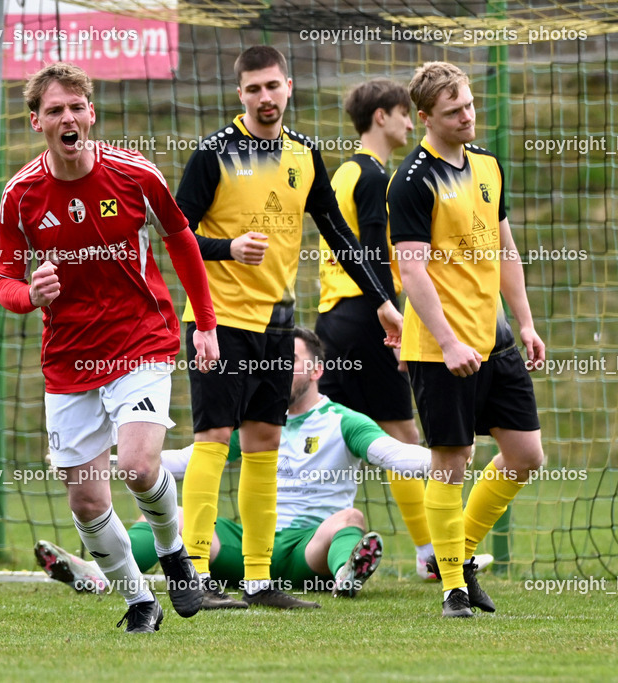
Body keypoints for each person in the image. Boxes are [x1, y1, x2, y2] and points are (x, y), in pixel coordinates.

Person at [0, 62, 220, 634]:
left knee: (140, 468)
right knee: (86, 503)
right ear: (36, 122)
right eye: (54, 110)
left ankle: (176, 556)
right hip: (68, 360)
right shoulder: (20, 196)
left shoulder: (135, 175)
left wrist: (206, 324)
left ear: (91, 113)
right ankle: (141, 601)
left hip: (139, 340)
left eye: (76, 107)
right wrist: (29, 294)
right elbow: (4, 279)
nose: (67, 118)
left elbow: (182, 241)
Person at [174, 45, 403, 610]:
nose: (265, 98)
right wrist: (227, 247)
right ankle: (195, 574)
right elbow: (175, 236)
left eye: (272, 86)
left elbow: (339, 234)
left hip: (277, 326)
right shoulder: (214, 154)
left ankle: (257, 581)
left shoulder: (304, 155)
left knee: (264, 443)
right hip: (217, 321)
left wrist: (381, 301)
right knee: (213, 441)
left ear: (289, 87)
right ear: (240, 95)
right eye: (253, 89)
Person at [36, 327, 444, 604]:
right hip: (247, 549)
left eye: (292, 361)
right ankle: (97, 573)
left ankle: (345, 573)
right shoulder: (256, 425)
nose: (279, 369)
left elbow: (393, 454)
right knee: (176, 515)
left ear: (317, 370)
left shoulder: (344, 421)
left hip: (309, 548)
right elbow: (187, 462)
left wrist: (445, 459)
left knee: (350, 517)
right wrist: (95, 463)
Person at [388, 61, 545, 618]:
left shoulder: (487, 166)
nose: (468, 116)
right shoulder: (410, 180)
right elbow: (413, 272)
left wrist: (524, 322)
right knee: (450, 463)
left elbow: (505, 251)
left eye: (470, 105)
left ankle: (463, 557)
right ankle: (454, 586)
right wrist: (450, 342)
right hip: (440, 348)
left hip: (496, 339)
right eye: (454, 111)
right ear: (425, 117)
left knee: (526, 455)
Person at [315, 78, 435, 580]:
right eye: (405, 113)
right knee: (404, 435)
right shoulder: (374, 176)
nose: (411, 123)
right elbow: (366, 251)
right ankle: (435, 556)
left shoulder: (344, 171)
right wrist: (389, 307)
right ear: (381, 117)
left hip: (331, 318)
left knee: (325, 435)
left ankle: (308, 546)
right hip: (366, 316)